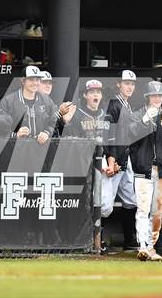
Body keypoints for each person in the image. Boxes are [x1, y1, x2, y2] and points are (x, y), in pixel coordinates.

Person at [128, 81, 162, 261]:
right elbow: (130, 134)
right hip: (143, 169)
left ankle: (151, 246)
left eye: (159, 96)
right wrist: (145, 120)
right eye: (153, 96)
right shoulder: (137, 114)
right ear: (147, 97)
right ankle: (143, 246)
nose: (156, 99)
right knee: (143, 209)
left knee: (158, 211)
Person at [63, 79, 111, 253]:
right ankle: (86, 241)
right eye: (92, 92)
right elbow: (71, 142)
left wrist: (111, 161)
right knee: (85, 203)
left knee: (105, 206)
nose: (95, 94)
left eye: (98, 92)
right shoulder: (77, 115)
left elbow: (112, 142)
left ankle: (97, 237)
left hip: (103, 163)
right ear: (85, 95)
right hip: (82, 164)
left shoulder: (106, 115)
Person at [102, 70, 138, 252]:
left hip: (126, 159)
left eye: (132, 83)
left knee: (131, 200)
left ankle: (129, 240)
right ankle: (96, 240)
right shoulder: (113, 104)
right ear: (118, 84)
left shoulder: (128, 105)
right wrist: (111, 159)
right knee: (105, 205)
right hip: (114, 160)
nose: (129, 86)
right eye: (126, 83)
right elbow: (108, 135)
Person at [0, 66, 57, 144]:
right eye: (31, 79)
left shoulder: (47, 101)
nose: (35, 83)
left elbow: (54, 121)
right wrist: (15, 135)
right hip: (14, 150)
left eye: (37, 79)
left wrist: (47, 133)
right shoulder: (8, 101)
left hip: (39, 149)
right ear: (23, 81)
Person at [39, 70, 76, 137]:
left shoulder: (52, 104)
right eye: (44, 82)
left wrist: (65, 122)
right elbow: (42, 125)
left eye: (50, 83)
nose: (48, 86)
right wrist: (59, 114)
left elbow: (58, 132)